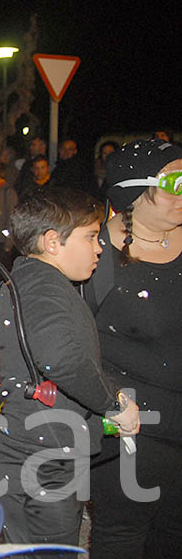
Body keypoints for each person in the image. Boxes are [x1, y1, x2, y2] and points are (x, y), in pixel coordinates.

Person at [0, 186, 139, 554]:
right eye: (90, 237)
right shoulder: (43, 287)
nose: (99, 247)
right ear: (52, 242)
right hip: (44, 456)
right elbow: (61, 358)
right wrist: (113, 404)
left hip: (30, 447)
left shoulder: (31, 280)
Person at [85, 139, 182, 558]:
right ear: (133, 192)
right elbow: (68, 349)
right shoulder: (92, 255)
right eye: (175, 182)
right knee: (122, 539)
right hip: (131, 435)